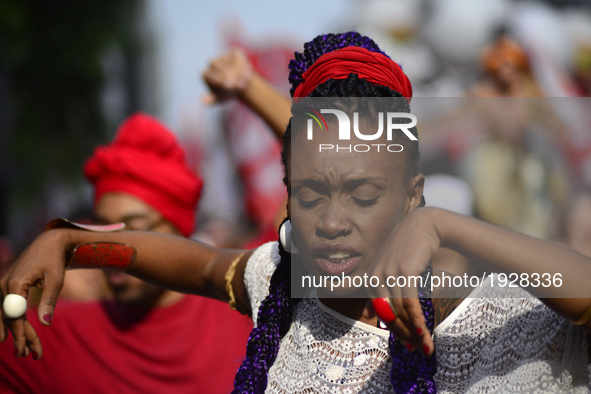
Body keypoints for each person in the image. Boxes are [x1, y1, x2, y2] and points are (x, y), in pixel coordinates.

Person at [2, 33, 591, 393]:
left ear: (413, 194)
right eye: (309, 196)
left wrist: (441, 224)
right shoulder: (284, 288)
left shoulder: (496, 309)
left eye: (364, 196)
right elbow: (198, 266)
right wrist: (72, 245)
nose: (332, 220)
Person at [0, 113, 252, 393]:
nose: (110, 251)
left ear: (180, 233)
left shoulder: (249, 304)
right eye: (101, 230)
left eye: (136, 230)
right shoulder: (55, 337)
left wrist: (248, 86)